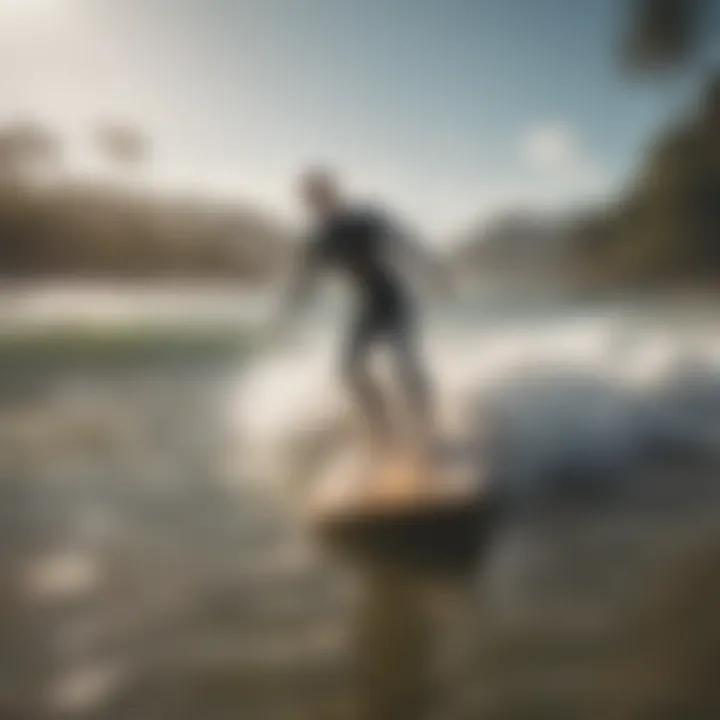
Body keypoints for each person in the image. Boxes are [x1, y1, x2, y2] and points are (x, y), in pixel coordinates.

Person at [283, 167, 445, 455]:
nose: (316, 205)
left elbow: (405, 241)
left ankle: (427, 427)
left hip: (393, 299)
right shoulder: (320, 240)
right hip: (368, 305)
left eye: (320, 196)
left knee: (404, 363)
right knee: (349, 369)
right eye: (311, 200)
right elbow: (305, 279)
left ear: (333, 193)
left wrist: (434, 272)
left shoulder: (364, 220)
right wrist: (292, 309)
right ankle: (383, 431)